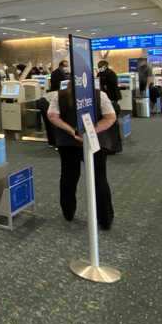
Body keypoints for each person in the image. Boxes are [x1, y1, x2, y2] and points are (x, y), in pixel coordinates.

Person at [47, 83, 117, 229]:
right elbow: (110, 117)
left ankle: (68, 212)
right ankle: (105, 219)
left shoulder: (58, 96)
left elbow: (52, 116)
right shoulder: (99, 95)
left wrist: (72, 131)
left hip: (67, 143)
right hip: (95, 142)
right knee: (99, 178)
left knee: (68, 176)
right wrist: (92, 131)